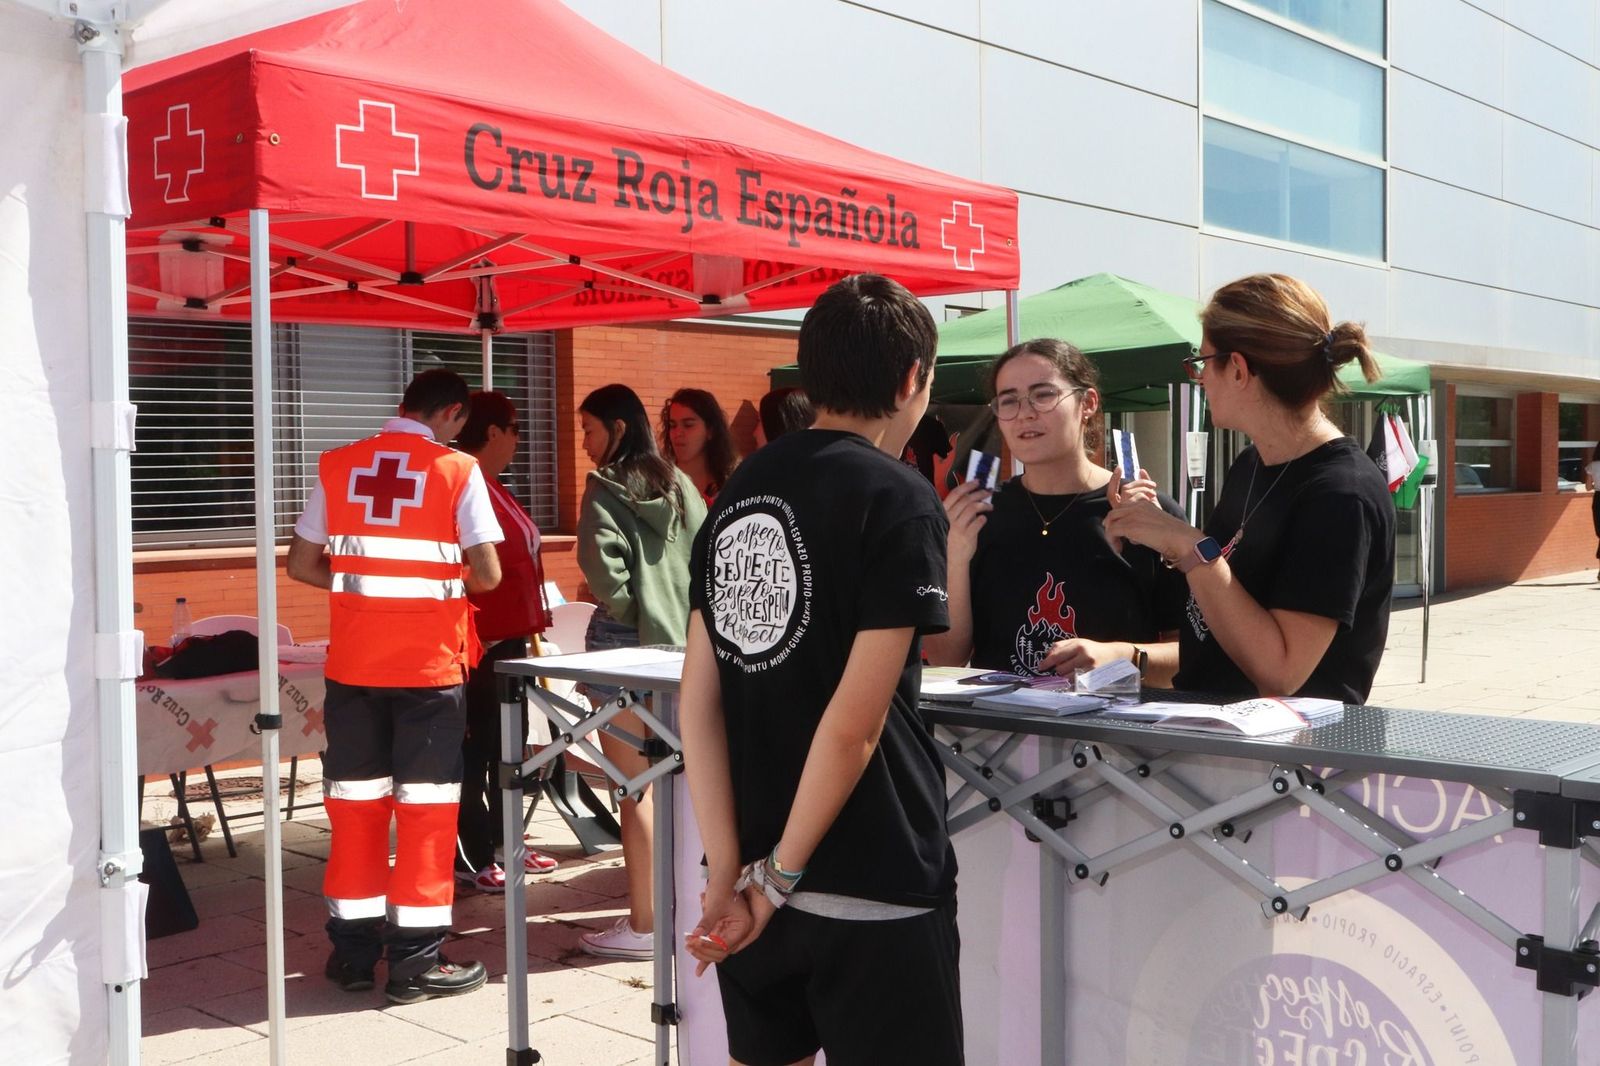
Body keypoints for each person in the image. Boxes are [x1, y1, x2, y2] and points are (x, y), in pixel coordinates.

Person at [680, 274, 964, 1066]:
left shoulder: (739, 491)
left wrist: (729, 869)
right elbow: (854, 725)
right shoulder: (899, 497)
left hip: (748, 873)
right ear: (912, 378)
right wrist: (775, 878)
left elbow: (697, 703)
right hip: (868, 872)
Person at [286, 368, 498, 1004]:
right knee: (427, 816)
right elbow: (485, 574)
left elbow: (301, 564)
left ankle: (351, 956)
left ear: (404, 406)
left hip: (353, 673)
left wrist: (365, 588)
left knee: (355, 810)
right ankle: (415, 964)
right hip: (427, 673)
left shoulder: (339, 464)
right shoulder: (458, 471)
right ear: (455, 415)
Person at [1103, 273, 1395, 704]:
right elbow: (1217, 613)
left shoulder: (1340, 495)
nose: (1199, 379)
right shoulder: (1252, 464)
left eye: (1202, 363)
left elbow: (1280, 673)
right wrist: (1155, 532)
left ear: (1237, 369)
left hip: (1283, 762)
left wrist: (1186, 542)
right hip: (1214, 740)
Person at [925, 339, 1185, 684]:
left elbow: (1193, 655)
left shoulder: (1144, 511)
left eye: (1043, 395)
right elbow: (947, 659)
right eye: (1009, 401)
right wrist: (955, 556)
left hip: (1112, 733)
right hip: (999, 731)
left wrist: (1123, 656)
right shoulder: (977, 513)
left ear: (1087, 403)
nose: (1025, 413)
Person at [575, 383, 706, 958]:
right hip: (685, 645)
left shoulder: (604, 488)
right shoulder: (680, 483)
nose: (583, 442)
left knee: (635, 788)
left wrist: (633, 612)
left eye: (589, 429)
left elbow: (602, 573)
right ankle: (683, 908)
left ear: (618, 430)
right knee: (681, 786)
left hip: (626, 647)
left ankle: (647, 925)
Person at [451, 390, 558, 893]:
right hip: (477, 644)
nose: (520, 440)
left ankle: (505, 842)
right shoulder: (462, 482)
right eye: (516, 430)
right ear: (492, 432)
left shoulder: (494, 485)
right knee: (474, 753)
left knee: (505, 749)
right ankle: (471, 855)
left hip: (509, 642)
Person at [661, 386, 738, 505]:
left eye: (688, 425)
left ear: (710, 430)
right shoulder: (659, 483)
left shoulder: (729, 487)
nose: (678, 433)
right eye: (673, 425)